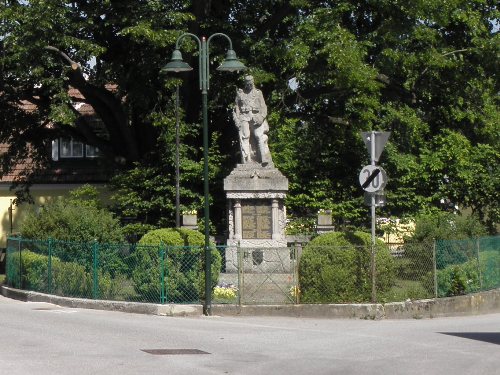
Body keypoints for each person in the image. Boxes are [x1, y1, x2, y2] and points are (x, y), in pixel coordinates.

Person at [233, 75, 273, 167]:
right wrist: (237, 120)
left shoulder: (258, 93)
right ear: (245, 84)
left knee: (259, 136)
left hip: (256, 117)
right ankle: (247, 159)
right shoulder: (240, 94)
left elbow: (263, 107)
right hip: (244, 117)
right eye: (248, 84)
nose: (250, 85)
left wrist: (261, 117)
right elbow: (237, 109)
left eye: (251, 83)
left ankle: (263, 157)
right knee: (245, 136)